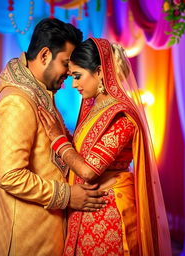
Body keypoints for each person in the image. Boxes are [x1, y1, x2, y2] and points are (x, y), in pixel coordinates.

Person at [0, 19, 107, 256]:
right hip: (25, 238)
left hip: (43, 230)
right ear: (45, 55)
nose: (69, 72)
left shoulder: (40, 91)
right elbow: (10, 175)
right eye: (65, 63)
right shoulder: (18, 101)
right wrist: (68, 196)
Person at [38, 38, 172, 255]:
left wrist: (57, 139)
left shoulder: (121, 115)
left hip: (108, 211)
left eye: (78, 76)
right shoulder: (95, 108)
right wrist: (59, 128)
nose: (73, 84)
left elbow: (89, 170)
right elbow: (82, 150)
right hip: (89, 206)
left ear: (100, 72)